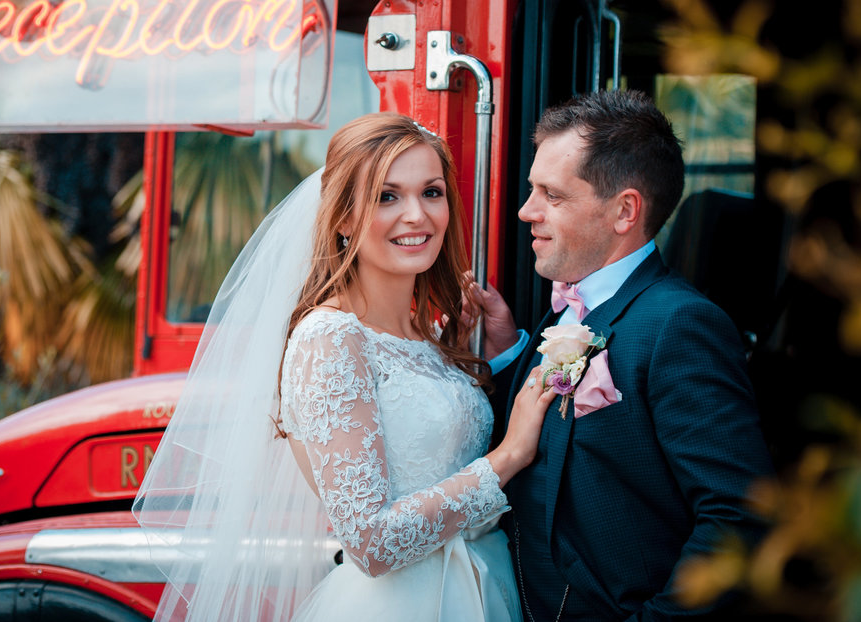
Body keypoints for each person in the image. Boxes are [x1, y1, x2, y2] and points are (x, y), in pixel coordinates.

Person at [134, 111, 556, 622]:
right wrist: (508, 456)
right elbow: (371, 542)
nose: (417, 216)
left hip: (481, 589)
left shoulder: (427, 334)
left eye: (431, 192)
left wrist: (503, 349)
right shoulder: (329, 338)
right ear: (341, 217)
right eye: (386, 196)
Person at [470, 90, 774, 620]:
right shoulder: (567, 309)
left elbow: (737, 516)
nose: (526, 211)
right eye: (530, 190)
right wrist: (511, 354)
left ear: (625, 211)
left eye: (553, 195)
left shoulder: (679, 325)